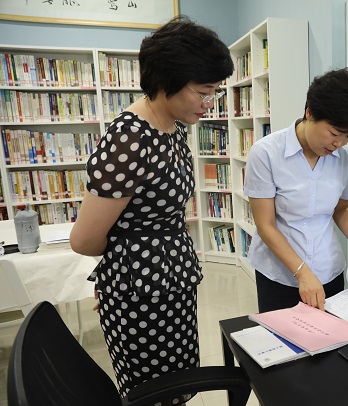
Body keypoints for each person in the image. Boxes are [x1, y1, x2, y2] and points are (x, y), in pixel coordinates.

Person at [70, 16, 233, 404]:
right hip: (141, 290)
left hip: (170, 279)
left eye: (214, 93)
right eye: (203, 92)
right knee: (153, 392)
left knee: (177, 382)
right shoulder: (128, 140)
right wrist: (123, 268)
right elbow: (84, 240)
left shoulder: (173, 126)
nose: (208, 104)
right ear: (166, 81)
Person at [244, 67, 348, 313]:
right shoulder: (266, 153)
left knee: (331, 336)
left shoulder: (344, 158)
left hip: (328, 271)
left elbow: (341, 208)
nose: (339, 143)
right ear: (309, 113)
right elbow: (266, 225)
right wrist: (302, 272)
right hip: (280, 277)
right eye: (334, 133)